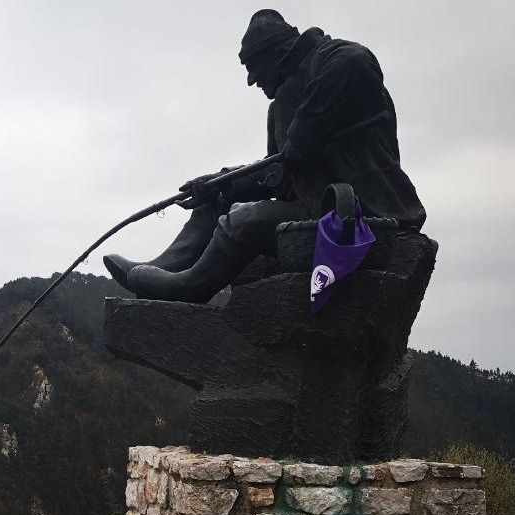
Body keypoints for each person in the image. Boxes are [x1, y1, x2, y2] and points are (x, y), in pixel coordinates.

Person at [103, 9, 426, 302]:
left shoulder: (338, 60)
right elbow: (282, 176)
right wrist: (221, 182)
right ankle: (165, 266)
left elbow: (354, 64)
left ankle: (191, 287)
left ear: (277, 55)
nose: (251, 80)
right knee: (217, 199)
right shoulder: (281, 105)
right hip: (310, 204)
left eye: (252, 68)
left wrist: (306, 128)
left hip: (354, 210)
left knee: (244, 219)